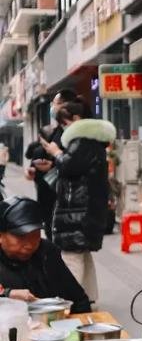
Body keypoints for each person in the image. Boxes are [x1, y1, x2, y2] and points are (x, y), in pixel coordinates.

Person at [39, 101, 116, 304]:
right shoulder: (93, 141)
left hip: (78, 212)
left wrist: (56, 153)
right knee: (81, 255)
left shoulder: (83, 141)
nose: (64, 129)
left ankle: (71, 300)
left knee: (71, 257)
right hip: (85, 210)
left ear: (74, 120)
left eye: (64, 124)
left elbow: (69, 167)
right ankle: (88, 296)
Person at [0, 196, 91, 312]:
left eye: (35, 235)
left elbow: (79, 300)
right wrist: (7, 294)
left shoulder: (47, 253)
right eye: (21, 237)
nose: (29, 244)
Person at [25, 88, 78, 239]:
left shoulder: (73, 135)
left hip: (62, 200)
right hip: (48, 197)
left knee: (64, 248)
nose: (52, 108)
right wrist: (34, 170)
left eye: (55, 104)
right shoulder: (55, 132)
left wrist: (53, 165)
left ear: (65, 106)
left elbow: (73, 163)